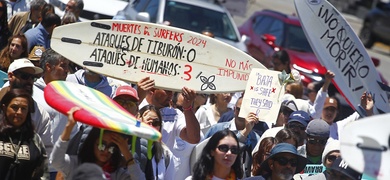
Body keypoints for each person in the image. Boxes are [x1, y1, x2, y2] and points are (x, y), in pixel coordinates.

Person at [50, 107, 146, 180]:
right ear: (92, 143)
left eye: (111, 148)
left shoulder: (117, 173)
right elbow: (55, 160)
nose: (106, 151)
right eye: (102, 145)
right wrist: (69, 127)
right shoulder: (76, 163)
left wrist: (127, 154)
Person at [0, 58, 52, 168]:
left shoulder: (40, 114)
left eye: (32, 78)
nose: (29, 81)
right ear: (10, 76)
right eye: (24, 76)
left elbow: (45, 152)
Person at [140, 86, 201, 180]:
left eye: (172, 90)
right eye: (166, 90)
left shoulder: (175, 113)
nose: (171, 94)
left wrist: (187, 107)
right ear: (152, 89)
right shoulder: (137, 107)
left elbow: (194, 138)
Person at [32, 48, 75, 179]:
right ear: (49, 67)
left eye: (68, 66)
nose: (67, 70)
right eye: (63, 66)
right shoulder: (32, 93)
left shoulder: (70, 96)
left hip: (58, 170)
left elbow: (74, 134)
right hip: (35, 167)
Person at [204, 97, 260, 177]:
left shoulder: (255, 138)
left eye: (245, 111)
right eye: (238, 109)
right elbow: (202, 152)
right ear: (234, 109)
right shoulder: (217, 129)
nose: (241, 114)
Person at [0, 88, 47, 179]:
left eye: (24, 109)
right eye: (14, 107)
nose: (19, 112)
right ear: (4, 108)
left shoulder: (34, 139)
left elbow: (43, 172)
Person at [138, 105, 175, 180]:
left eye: (156, 122)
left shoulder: (166, 155)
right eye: (147, 122)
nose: (151, 126)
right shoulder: (128, 147)